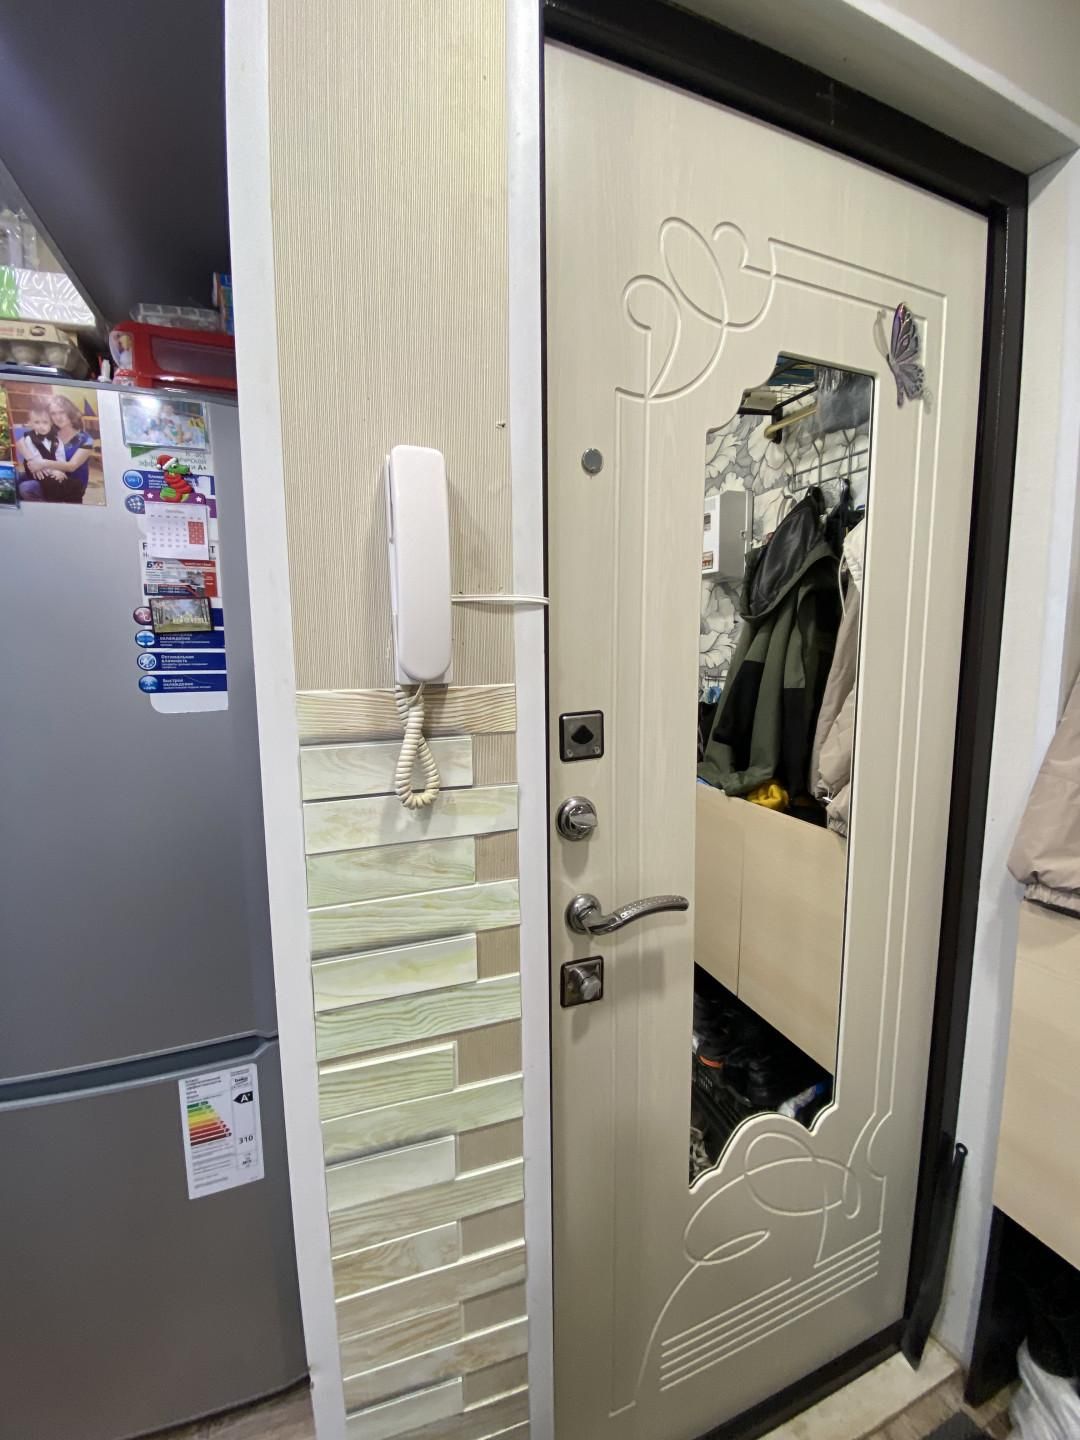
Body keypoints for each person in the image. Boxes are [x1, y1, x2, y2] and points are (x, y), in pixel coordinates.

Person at [23, 394, 95, 503]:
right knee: (15, 477)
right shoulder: (48, 431)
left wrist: (42, 463)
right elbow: (28, 444)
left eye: (62, 412)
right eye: (53, 413)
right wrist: (33, 461)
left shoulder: (86, 439)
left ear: (70, 412)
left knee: (27, 487)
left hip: (70, 484)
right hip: (48, 475)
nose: (58, 417)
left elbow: (71, 466)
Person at [15, 400, 65, 500]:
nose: (41, 426)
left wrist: (58, 471)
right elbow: (36, 460)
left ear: (51, 423)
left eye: (45, 422)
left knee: (26, 488)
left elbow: (61, 458)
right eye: (37, 422)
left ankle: (43, 501)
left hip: (50, 477)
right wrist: (51, 471)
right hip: (34, 473)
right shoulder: (29, 439)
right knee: (12, 477)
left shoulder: (57, 441)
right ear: (30, 423)